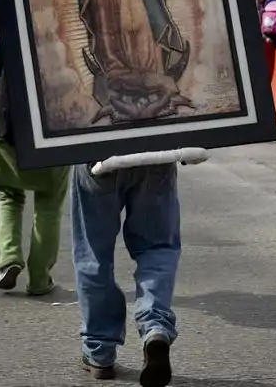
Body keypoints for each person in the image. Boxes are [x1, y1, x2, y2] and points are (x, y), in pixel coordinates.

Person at [71, 159, 180, 385]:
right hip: (155, 153)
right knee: (157, 247)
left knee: (93, 253)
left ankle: (99, 350)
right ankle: (155, 325)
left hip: (95, 153)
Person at [0, 21, 68, 296]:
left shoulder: (6, 23)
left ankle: (9, 259)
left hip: (10, 127)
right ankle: (40, 279)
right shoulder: (68, 20)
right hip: (55, 128)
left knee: (10, 195)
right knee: (49, 205)